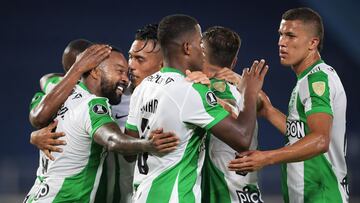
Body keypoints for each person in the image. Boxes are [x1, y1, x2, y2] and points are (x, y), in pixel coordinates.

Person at [125, 14, 268, 202]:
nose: (203, 50)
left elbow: (128, 150)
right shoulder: (190, 91)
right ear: (186, 48)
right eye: (199, 43)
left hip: (142, 194)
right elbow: (242, 138)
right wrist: (249, 92)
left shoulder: (144, 87)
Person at [24, 44, 179, 202]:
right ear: (94, 71)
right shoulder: (93, 104)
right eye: (120, 70)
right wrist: (147, 144)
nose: (127, 77)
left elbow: (47, 81)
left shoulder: (62, 94)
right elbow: (112, 139)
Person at [228, 7, 349, 203]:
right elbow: (302, 134)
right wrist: (267, 110)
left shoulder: (316, 80)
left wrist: (266, 158)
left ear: (313, 42)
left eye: (290, 36)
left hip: (321, 196)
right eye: (281, 34)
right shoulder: (308, 78)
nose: (281, 42)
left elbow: (320, 140)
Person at [201, 26, 263, 203]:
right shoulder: (243, 90)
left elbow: (231, 110)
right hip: (247, 195)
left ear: (202, 54)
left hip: (224, 196)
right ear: (234, 61)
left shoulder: (212, 89)